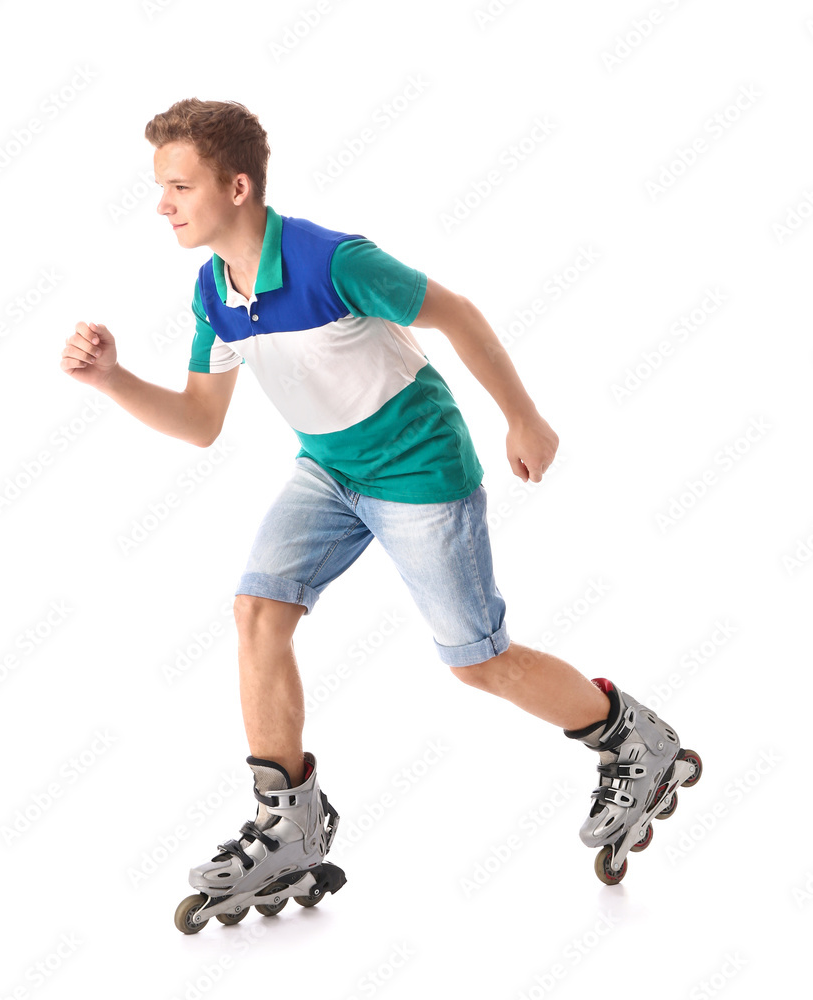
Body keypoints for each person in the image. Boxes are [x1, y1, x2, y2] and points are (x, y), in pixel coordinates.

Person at [60, 99, 701, 929]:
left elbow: (457, 313)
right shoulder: (215, 291)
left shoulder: (334, 261)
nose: (164, 204)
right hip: (329, 472)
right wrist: (112, 379)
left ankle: (631, 741)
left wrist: (524, 417)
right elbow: (201, 421)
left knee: (478, 660)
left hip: (419, 472)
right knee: (258, 610)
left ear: (240, 186)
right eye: (162, 188)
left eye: (179, 186)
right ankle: (288, 824)